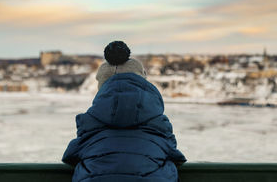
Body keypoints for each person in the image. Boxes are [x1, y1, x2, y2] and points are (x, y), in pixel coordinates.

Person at [62, 41, 186, 182]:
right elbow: (176, 156)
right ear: (143, 83)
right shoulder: (158, 125)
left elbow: (70, 156)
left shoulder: (90, 125)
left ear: (102, 90)